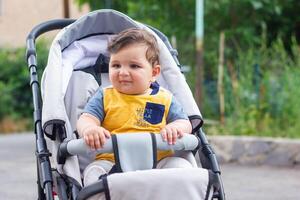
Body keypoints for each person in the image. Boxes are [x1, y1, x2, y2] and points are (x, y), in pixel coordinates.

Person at [77, 28, 193, 187]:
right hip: (112, 163)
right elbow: (87, 118)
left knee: (182, 167)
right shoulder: (104, 96)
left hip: (158, 163)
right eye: (116, 65)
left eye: (134, 66)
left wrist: (176, 127)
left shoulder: (165, 98)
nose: (123, 72)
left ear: (154, 72)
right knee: (94, 172)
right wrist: (89, 129)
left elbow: (185, 122)